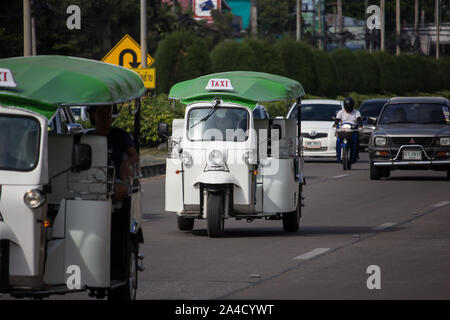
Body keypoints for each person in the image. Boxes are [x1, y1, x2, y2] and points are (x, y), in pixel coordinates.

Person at [88, 105, 139, 202]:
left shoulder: (119, 135)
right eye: (101, 113)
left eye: (108, 112)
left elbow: (134, 156)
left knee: (121, 189)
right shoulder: (86, 137)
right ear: (93, 115)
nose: (106, 116)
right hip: (88, 179)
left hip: (113, 180)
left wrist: (126, 164)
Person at [334, 97, 362, 162]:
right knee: (338, 140)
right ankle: (337, 153)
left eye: (350, 106)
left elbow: (359, 119)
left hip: (352, 129)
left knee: (356, 139)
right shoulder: (341, 112)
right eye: (347, 106)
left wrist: (360, 124)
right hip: (343, 129)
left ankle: (356, 153)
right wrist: (335, 123)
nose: (349, 108)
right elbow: (337, 119)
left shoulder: (356, 112)